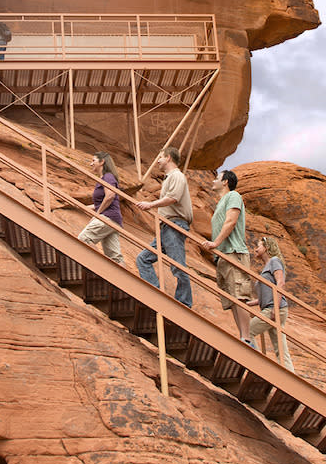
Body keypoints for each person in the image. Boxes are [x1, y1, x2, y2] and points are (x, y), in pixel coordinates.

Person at [135, 147, 193, 307]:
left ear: (168, 158)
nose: (158, 161)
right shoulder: (170, 177)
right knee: (143, 259)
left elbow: (173, 198)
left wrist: (151, 204)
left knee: (178, 266)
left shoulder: (177, 176)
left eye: (160, 157)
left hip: (174, 224)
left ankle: (184, 303)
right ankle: (156, 295)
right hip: (166, 226)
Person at [201, 169, 251, 345]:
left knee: (239, 296)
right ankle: (243, 337)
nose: (214, 181)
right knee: (232, 299)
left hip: (234, 252)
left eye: (217, 178)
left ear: (225, 182)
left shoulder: (233, 196)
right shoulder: (222, 201)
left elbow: (231, 221)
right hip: (224, 255)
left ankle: (247, 338)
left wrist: (215, 244)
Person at [247, 235, 295, 370]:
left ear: (267, 247)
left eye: (259, 246)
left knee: (248, 331)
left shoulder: (274, 261)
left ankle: (259, 366)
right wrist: (250, 303)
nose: (256, 249)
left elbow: (280, 283)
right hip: (273, 307)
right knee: (280, 346)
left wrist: (275, 306)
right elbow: (266, 294)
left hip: (275, 308)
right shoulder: (267, 266)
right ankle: (289, 378)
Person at [77, 151, 125, 264]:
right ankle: (121, 280)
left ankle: (98, 267)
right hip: (113, 219)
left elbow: (110, 196)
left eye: (93, 160)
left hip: (108, 217)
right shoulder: (105, 178)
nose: (91, 164)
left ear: (102, 161)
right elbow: (102, 201)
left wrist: (97, 214)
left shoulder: (108, 177)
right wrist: (82, 207)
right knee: (114, 256)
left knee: (84, 239)